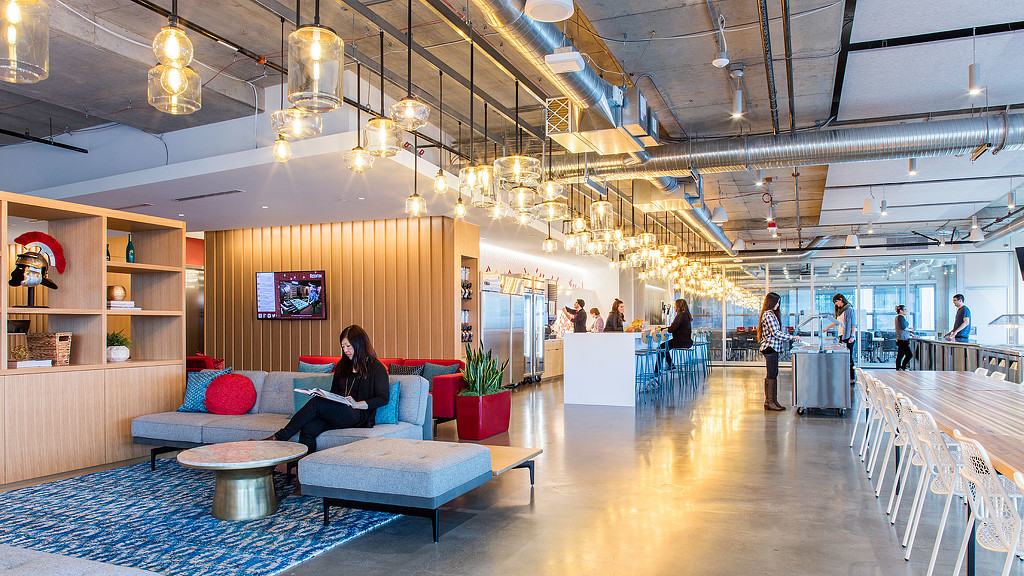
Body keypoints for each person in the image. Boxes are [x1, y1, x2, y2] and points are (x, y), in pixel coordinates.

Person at [265, 325, 389, 454]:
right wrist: (327, 396)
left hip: (357, 415)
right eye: (343, 347)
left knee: (316, 403)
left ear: (359, 343)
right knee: (308, 428)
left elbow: (383, 398)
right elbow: (334, 390)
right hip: (337, 412)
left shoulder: (376, 367)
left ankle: (280, 437)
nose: (345, 350)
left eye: (348, 346)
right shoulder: (342, 364)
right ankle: (303, 469)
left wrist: (357, 404)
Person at [758, 292, 801, 411]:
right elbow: (775, 333)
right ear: (772, 303)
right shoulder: (768, 315)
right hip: (770, 347)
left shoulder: (770, 314)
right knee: (771, 374)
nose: (778, 305)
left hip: (772, 348)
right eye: (777, 303)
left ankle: (773, 401)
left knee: (774, 373)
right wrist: (792, 337)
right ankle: (769, 402)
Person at [825, 293, 857, 384]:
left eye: (836, 301)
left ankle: (852, 378)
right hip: (841, 336)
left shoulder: (849, 309)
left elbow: (853, 324)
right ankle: (844, 377)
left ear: (841, 299)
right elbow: (836, 323)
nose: (836, 304)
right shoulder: (839, 311)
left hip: (848, 336)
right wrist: (826, 328)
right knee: (842, 358)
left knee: (849, 358)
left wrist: (852, 336)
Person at [661, 298, 693, 370]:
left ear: (678, 306)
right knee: (663, 346)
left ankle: (658, 370)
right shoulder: (686, 315)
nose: (674, 307)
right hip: (687, 341)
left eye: (675, 306)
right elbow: (673, 327)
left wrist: (661, 329)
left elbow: (671, 329)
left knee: (662, 347)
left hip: (680, 341)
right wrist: (663, 329)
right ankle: (670, 365)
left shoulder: (680, 315)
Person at [894, 305, 915, 371]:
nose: (906, 311)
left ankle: (900, 368)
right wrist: (910, 330)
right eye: (905, 309)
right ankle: (902, 367)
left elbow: (902, 329)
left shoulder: (899, 317)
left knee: (900, 355)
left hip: (901, 339)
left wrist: (910, 333)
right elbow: (903, 327)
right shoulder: (900, 317)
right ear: (901, 310)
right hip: (903, 340)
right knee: (909, 355)